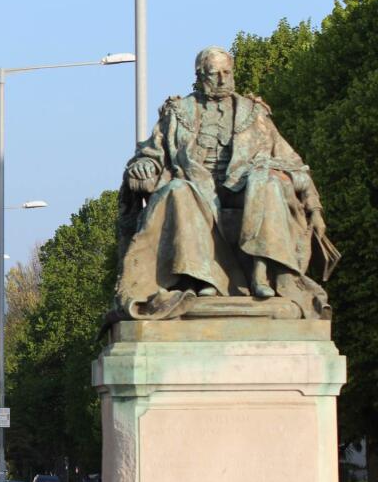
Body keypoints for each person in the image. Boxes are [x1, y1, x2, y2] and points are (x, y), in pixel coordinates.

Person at [114, 46, 335, 320]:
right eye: (214, 73)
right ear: (199, 75)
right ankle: (203, 278)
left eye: (227, 72)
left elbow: (293, 164)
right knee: (177, 190)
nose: (222, 79)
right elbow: (150, 155)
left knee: (266, 182)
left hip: (244, 190)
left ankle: (261, 270)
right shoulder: (177, 113)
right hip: (196, 186)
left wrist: (313, 208)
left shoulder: (253, 113)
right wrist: (144, 164)